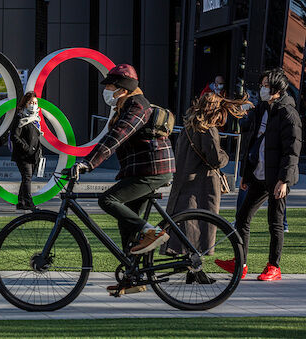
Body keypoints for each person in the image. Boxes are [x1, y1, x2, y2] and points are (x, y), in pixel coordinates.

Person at [72, 64, 176, 294]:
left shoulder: (137, 107)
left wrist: (88, 163)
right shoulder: (125, 105)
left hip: (153, 171)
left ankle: (154, 232)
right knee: (126, 222)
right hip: (142, 170)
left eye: (110, 86)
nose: (107, 90)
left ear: (123, 88)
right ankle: (134, 278)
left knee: (108, 200)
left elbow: (116, 137)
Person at [216, 68, 301, 281]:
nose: (262, 89)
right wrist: (246, 174)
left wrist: (284, 180)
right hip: (258, 174)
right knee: (243, 217)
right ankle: (240, 263)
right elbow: (252, 140)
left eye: (265, 86)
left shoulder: (288, 113)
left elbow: (292, 150)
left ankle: (274, 266)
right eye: (262, 85)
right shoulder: (263, 108)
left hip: (277, 178)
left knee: (276, 221)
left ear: (277, 89)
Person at [162, 93, 248, 284]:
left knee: (185, 226)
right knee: (200, 227)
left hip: (185, 181)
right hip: (202, 185)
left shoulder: (189, 125)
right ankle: (195, 268)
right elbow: (215, 159)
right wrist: (225, 156)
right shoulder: (208, 129)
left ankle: (192, 269)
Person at [10, 91, 43, 210]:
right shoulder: (20, 117)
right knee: (27, 177)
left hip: (34, 155)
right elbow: (14, 136)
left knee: (26, 178)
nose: (33, 105)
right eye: (31, 102)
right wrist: (27, 148)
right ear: (25, 104)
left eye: (35, 102)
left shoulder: (36, 119)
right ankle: (29, 203)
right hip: (23, 155)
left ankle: (21, 202)